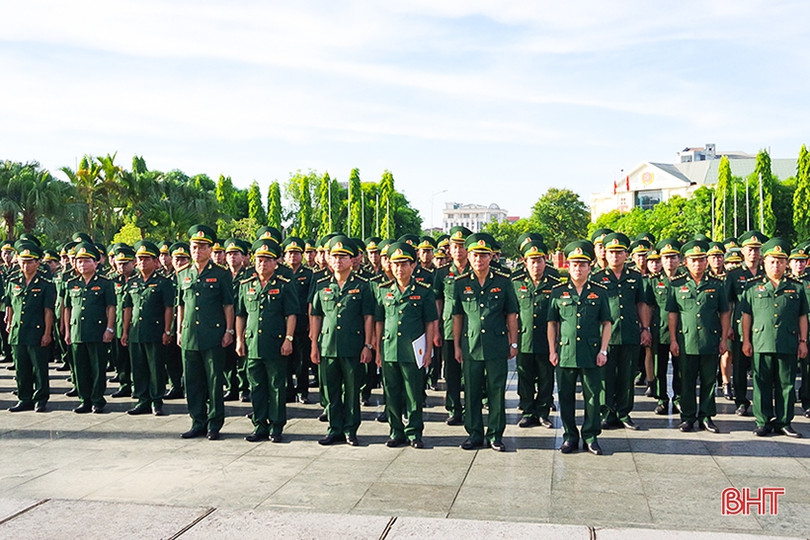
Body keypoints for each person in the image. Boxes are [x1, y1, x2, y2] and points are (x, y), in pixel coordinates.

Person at [452, 232, 519, 452]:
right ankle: (474, 434)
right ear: (469, 257)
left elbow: (511, 315)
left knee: (496, 392)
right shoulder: (461, 283)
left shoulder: (503, 282)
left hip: (496, 346)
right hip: (470, 347)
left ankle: (495, 434)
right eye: (475, 255)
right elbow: (458, 316)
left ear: (491, 257)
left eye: (483, 255)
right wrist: (456, 346)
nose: (479, 260)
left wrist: (513, 343)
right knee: (471, 391)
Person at [310, 235, 375, 446]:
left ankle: (350, 430)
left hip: (353, 346)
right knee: (331, 390)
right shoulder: (320, 285)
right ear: (329, 259)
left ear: (352, 260)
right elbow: (316, 316)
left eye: (343, 257)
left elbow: (368, 317)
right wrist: (314, 344)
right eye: (335, 257)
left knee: (352, 390)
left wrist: (368, 345)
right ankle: (334, 428)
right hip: (328, 345)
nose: (338, 261)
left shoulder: (363, 286)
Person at [548, 240, 612, 455]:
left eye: (582, 264)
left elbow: (607, 323)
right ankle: (569, 436)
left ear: (589, 267)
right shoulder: (557, 292)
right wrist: (552, 350)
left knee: (593, 396)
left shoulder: (599, 292)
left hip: (591, 352)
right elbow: (552, 324)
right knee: (565, 396)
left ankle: (591, 436)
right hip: (565, 352)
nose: (578, 268)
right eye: (574, 264)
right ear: (567, 266)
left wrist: (604, 350)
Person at [741, 238, 807, 437]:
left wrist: (803, 341)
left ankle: (784, 421)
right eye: (772, 261)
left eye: (780, 261)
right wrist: (745, 340)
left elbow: (802, 316)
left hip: (787, 341)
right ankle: (762, 421)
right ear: (764, 262)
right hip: (761, 341)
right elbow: (746, 316)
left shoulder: (796, 287)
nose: (776, 265)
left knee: (786, 384)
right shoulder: (752, 287)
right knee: (761, 384)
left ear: (786, 263)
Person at [374, 242, 437, 448]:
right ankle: (396, 431)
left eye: (404, 264)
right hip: (390, 349)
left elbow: (430, 322)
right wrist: (378, 349)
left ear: (413, 266)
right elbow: (379, 322)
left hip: (413, 351)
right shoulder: (383, 290)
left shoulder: (424, 291)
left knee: (413, 393)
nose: (400, 268)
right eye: (396, 264)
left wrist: (428, 350)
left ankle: (414, 433)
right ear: (390, 266)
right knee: (391, 393)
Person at [235, 238, 298, 443]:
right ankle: (260, 424)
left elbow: (291, 314)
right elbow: (241, 315)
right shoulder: (247, 285)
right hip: (253, 344)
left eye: (267, 260)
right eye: (259, 259)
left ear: (275, 263)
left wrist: (288, 339)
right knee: (256, 387)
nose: (262, 263)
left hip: (275, 343)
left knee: (277, 386)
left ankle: (276, 426)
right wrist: (239, 340)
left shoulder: (284, 285)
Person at [176, 225, 235, 440]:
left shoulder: (221, 274)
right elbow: (181, 304)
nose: (197, 251)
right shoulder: (182, 273)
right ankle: (197, 421)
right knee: (192, 382)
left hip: (213, 335)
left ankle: (214, 424)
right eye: (194, 247)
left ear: (210, 250)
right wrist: (179, 330)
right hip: (190, 335)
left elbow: (228, 305)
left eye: (202, 247)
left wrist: (229, 330)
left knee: (213, 381)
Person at [667, 240, 730, 433]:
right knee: (686, 380)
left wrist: (724, 339)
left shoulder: (717, 284)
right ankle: (687, 417)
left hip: (710, 340)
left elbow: (725, 312)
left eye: (701, 260)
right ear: (686, 262)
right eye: (693, 260)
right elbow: (673, 314)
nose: (698, 264)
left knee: (709, 380)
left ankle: (706, 416)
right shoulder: (677, 285)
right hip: (686, 340)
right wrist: (673, 340)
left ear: (706, 262)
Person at [590, 232, 652, 430]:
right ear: (605, 254)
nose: (615, 256)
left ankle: (624, 413)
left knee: (627, 375)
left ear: (627, 255)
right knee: (606, 376)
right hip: (606, 336)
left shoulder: (635, 276)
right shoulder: (597, 277)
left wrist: (645, 328)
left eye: (619, 252)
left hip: (630, 332)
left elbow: (641, 304)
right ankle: (608, 413)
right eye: (611, 252)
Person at [121, 240, 175, 416]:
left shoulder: (163, 282)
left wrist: (167, 331)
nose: (143, 262)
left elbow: (169, 308)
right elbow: (128, 308)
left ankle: (156, 400)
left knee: (156, 367)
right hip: (136, 332)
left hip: (155, 331)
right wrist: (125, 331)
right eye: (140, 259)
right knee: (138, 367)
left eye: (147, 259)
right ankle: (142, 399)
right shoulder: (132, 282)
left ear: (155, 262)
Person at [511, 237, 559, 428]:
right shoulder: (515, 282)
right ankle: (528, 411)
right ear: (525, 262)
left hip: (546, 340)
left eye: (539, 260)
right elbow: (511, 313)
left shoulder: (554, 283)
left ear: (545, 260)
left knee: (547, 378)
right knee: (525, 377)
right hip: (524, 338)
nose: (536, 265)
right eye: (532, 260)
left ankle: (543, 412)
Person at [63, 241, 116, 414]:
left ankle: (97, 400)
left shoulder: (105, 283)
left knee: (98, 367)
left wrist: (109, 329)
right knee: (80, 368)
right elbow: (67, 309)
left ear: (96, 263)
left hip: (97, 331)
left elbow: (111, 307)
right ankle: (84, 399)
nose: (83, 264)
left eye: (87, 261)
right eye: (79, 261)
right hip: (78, 331)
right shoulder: (71, 283)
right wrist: (68, 330)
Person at [5, 242, 56, 412]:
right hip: (18, 332)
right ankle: (24, 398)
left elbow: (48, 311)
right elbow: (10, 305)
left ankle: (40, 399)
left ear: (37, 263)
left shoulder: (46, 284)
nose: (26, 265)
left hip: (37, 331)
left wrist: (47, 332)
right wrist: (10, 324)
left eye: (30, 261)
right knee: (21, 368)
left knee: (40, 368)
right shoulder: (13, 282)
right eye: (23, 261)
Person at [725, 230, 768, 416]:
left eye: (757, 249)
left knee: (761, 368)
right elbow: (727, 303)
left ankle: (762, 402)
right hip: (740, 326)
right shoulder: (734, 275)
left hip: (763, 327)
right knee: (740, 367)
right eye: (750, 249)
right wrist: (727, 328)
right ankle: (741, 401)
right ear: (742, 251)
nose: (753, 253)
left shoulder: (767, 272)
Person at [433, 226, 472, 426]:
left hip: (472, 328)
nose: (458, 250)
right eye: (454, 246)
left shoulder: (475, 270)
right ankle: (454, 408)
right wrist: (436, 329)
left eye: (462, 246)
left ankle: (472, 408)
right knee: (451, 371)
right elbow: (438, 302)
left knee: (472, 371)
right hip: (448, 327)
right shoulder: (441, 273)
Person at [648, 239, 683, 415]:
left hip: (681, 331)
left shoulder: (685, 280)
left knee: (681, 368)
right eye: (666, 258)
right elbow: (647, 306)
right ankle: (662, 399)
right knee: (659, 367)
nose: (669, 261)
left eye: (673, 257)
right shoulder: (653, 281)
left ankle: (678, 398)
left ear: (679, 260)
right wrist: (646, 329)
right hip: (659, 330)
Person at [281, 236, 313, 404]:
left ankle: (303, 390)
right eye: (289, 253)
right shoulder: (281, 273)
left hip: (302, 322)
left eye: (296, 253)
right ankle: (288, 390)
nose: (293, 256)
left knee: (302, 360)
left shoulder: (309, 274)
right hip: (283, 323)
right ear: (285, 256)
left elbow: (311, 300)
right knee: (285, 360)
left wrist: (310, 322)